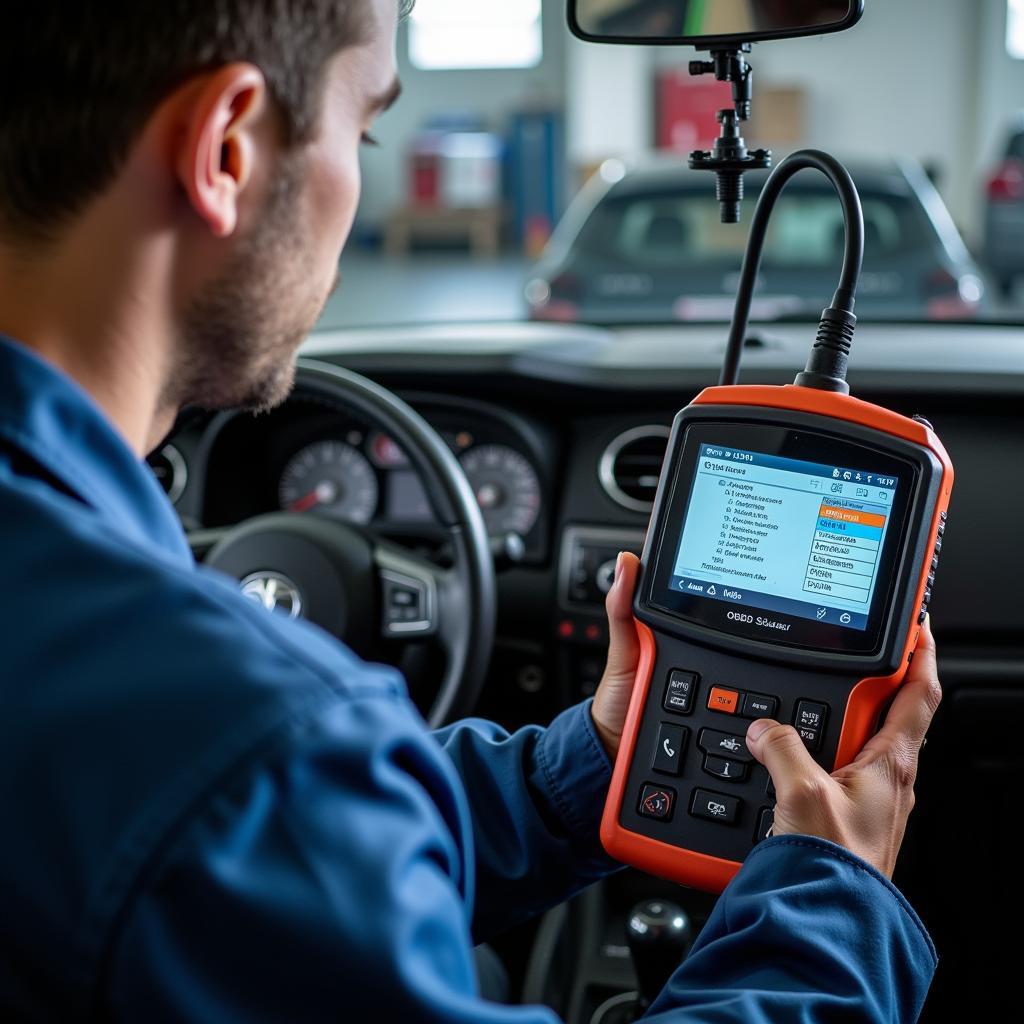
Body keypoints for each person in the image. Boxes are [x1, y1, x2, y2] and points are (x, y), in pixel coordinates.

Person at [0, 2, 941, 1021]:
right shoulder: (254, 753)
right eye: (361, 133)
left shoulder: (209, 755)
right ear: (224, 148)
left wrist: (585, 767)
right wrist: (831, 903)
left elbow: (302, 858)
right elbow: (266, 809)